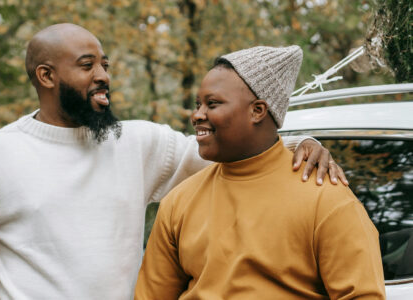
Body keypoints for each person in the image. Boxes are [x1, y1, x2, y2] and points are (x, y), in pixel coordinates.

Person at [0, 24, 347, 299]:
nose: (103, 75)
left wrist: (300, 143)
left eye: (105, 64)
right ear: (47, 76)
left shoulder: (136, 142)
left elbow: (238, 150)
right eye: (87, 66)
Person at [135, 46, 385, 299]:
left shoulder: (326, 198)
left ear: (257, 111)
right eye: (198, 104)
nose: (197, 115)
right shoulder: (178, 202)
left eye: (212, 104)